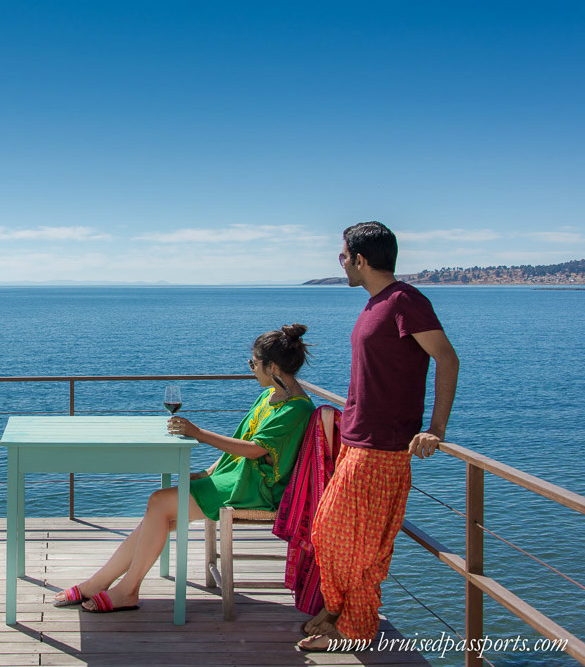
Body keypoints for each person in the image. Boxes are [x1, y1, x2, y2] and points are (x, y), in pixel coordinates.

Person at [52, 324, 315, 613]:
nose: (251, 368)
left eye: (254, 362)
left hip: (255, 490)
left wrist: (198, 433)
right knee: (159, 511)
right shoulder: (270, 396)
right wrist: (208, 472)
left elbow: (254, 450)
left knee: (159, 503)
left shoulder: (296, 408)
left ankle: (126, 590)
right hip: (236, 478)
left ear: (273, 366)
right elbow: (243, 441)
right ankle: (100, 584)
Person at [299, 222, 459, 651]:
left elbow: (447, 358)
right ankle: (341, 613)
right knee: (334, 534)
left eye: (343, 255)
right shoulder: (376, 304)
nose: (341, 262)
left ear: (361, 259)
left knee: (346, 540)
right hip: (358, 440)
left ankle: (353, 624)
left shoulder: (406, 301)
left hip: (384, 447)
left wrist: (436, 429)